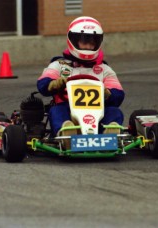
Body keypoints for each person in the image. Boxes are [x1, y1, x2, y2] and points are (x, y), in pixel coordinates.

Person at [37, 16, 125, 148]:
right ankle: (67, 134)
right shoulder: (60, 65)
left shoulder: (104, 69)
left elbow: (118, 94)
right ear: (73, 40)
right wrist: (54, 84)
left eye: (92, 42)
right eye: (84, 41)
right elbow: (43, 84)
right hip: (67, 109)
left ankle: (109, 132)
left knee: (114, 111)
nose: (89, 45)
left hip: (98, 113)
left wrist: (108, 93)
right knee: (56, 111)